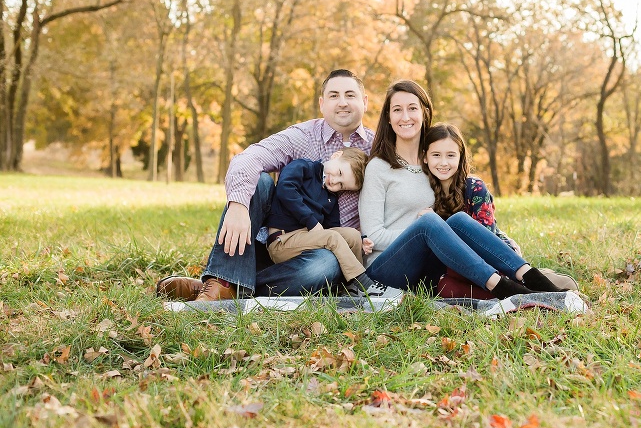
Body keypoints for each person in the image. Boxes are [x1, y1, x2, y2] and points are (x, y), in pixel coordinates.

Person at [157, 69, 392, 301]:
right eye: (334, 95)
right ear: (321, 103)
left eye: (350, 95)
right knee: (258, 182)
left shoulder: (378, 149)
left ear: (365, 101)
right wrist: (238, 205)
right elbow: (248, 158)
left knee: (324, 266)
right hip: (276, 241)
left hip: (322, 258)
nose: (342, 103)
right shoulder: (303, 137)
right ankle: (224, 281)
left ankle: (228, 285)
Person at [359, 80, 564, 299]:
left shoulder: (434, 163)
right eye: (397, 110)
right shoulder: (379, 167)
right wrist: (422, 229)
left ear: (424, 113)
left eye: (412, 108)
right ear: (388, 118)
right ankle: (503, 287)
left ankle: (532, 277)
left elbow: (465, 206)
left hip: (429, 269)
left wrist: (503, 240)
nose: (405, 116)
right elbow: (373, 236)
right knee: (431, 223)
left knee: (457, 220)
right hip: (386, 271)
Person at [422, 123, 578, 298]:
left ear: (460, 157)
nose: (443, 162)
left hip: (488, 263)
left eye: (450, 155)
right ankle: (525, 295)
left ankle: (539, 283)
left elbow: (484, 238)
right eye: (436, 155)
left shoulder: (474, 188)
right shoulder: (422, 192)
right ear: (425, 157)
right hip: (452, 270)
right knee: (445, 287)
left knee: (458, 223)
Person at [264, 147, 386, 297]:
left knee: (352, 235)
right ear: (336, 155)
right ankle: (363, 284)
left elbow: (331, 228)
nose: (334, 182)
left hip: (308, 238)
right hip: (282, 240)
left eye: (341, 185)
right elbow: (285, 188)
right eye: (340, 173)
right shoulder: (304, 167)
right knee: (331, 237)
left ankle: (350, 290)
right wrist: (311, 221)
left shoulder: (330, 197)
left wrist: (360, 241)